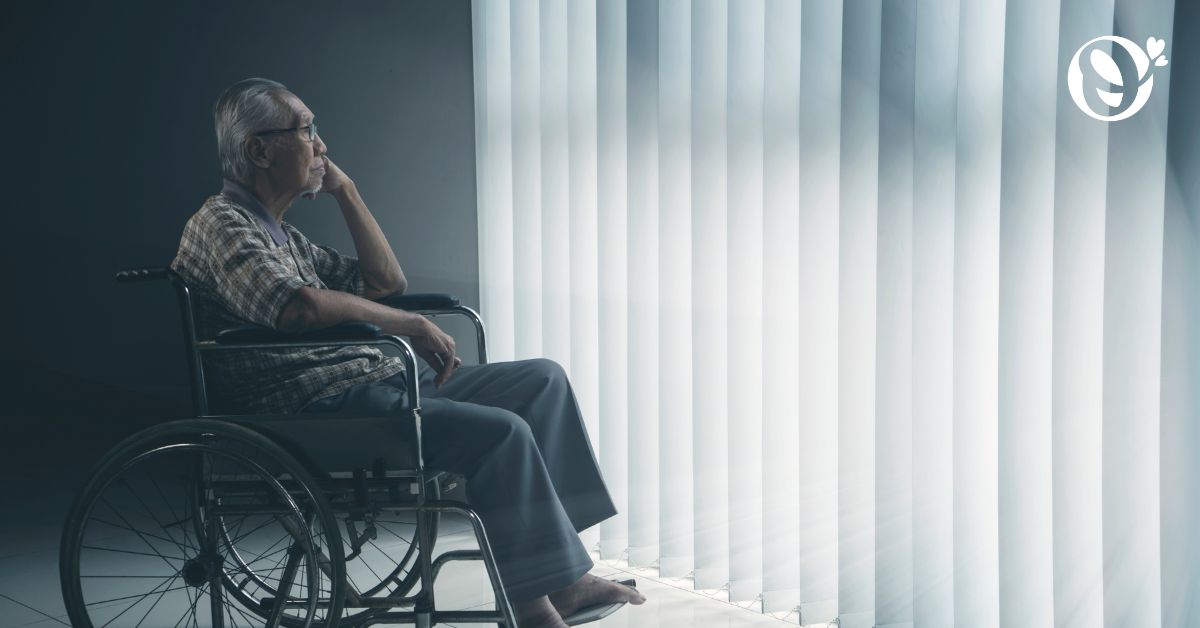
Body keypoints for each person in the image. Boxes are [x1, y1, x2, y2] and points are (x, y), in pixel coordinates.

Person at [170, 78, 644, 628]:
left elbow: (385, 283)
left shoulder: (282, 235)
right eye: (306, 129)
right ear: (259, 150)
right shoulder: (221, 224)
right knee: (502, 433)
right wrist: (411, 324)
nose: (321, 144)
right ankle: (535, 607)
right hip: (311, 409)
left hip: (371, 382)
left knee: (542, 381)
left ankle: (566, 576)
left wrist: (347, 192)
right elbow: (295, 308)